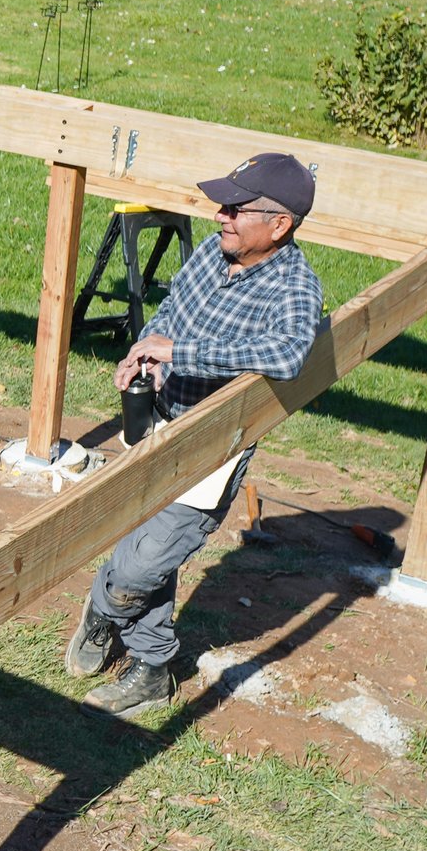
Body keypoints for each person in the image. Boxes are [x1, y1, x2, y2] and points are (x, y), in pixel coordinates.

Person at [67, 151, 326, 715]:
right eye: (222, 206)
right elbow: (172, 313)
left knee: (141, 564)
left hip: (213, 445)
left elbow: (286, 355)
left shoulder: (295, 288)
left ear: (279, 225)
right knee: (142, 543)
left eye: (236, 209)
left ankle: (106, 611)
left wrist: (180, 352)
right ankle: (151, 668)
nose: (220, 216)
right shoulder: (213, 252)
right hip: (159, 418)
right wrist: (146, 351)